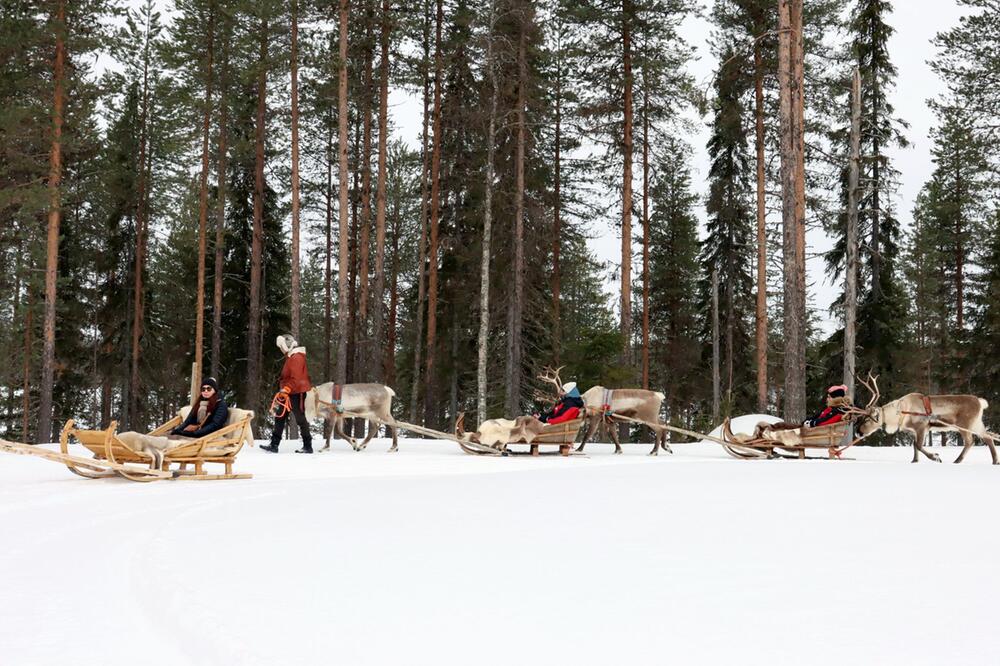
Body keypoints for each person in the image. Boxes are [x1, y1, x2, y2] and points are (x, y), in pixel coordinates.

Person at [260, 334, 314, 454]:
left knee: (300, 418)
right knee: (280, 416)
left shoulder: (296, 357)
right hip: (288, 392)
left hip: (296, 392)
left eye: (281, 346)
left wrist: (287, 389)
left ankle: (308, 445)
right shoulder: (291, 357)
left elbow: (297, 378)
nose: (281, 349)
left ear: (286, 345)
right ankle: (274, 444)